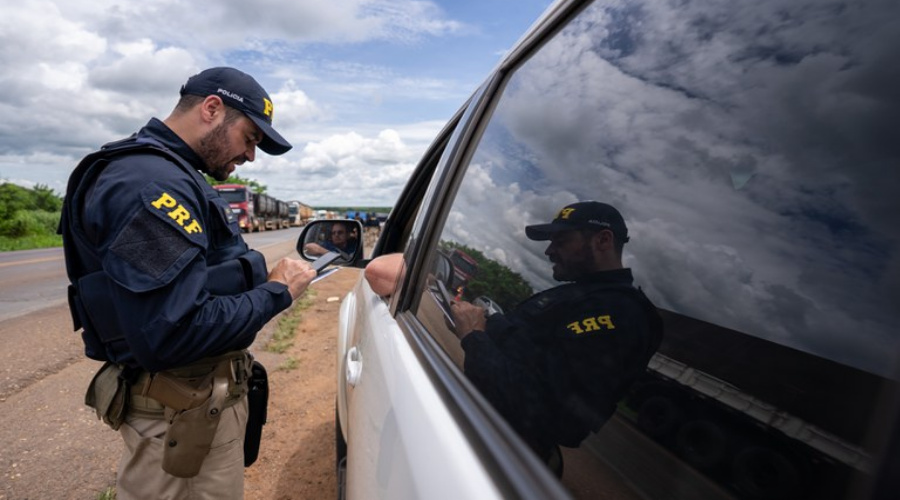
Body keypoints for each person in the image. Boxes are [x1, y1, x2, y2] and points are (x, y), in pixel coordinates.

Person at [59, 67, 317, 500]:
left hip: (188, 409)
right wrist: (277, 293)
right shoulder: (153, 183)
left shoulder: (171, 174)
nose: (251, 156)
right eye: (250, 138)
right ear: (212, 109)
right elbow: (174, 332)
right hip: (180, 415)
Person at [450, 201, 664, 471]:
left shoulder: (619, 314)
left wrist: (473, 336)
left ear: (603, 240)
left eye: (561, 240)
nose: (549, 251)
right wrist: (485, 321)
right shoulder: (581, 296)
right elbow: (525, 343)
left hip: (499, 460)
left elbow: (547, 414)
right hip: (483, 440)